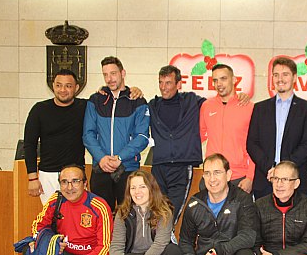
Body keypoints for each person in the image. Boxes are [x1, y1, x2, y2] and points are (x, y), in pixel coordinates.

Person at [31, 164, 113, 255]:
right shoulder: (56, 200)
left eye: (75, 181)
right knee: (31, 249)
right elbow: (39, 225)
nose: (69, 187)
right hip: (64, 253)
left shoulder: (99, 206)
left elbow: (105, 246)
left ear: (85, 184)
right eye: (64, 182)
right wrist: (48, 242)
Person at [83, 56, 150, 212]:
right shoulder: (95, 100)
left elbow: (142, 137)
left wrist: (119, 158)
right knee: (101, 216)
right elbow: (88, 134)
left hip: (127, 169)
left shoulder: (137, 101)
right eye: (105, 75)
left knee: (128, 217)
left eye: (113, 73)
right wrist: (101, 158)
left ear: (122, 73)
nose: (109, 79)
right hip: (101, 168)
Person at [247, 57, 307, 199]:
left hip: (295, 181)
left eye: (285, 74)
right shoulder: (260, 108)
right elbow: (252, 143)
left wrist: (283, 171)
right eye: (276, 75)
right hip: (266, 178)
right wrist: (270, 168)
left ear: (294, 77)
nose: (280, 79)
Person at [149, 64, 205, 223]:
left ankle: (165, 238)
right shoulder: (152, 105)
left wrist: (238, 97)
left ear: (178, 84)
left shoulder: (192, 101)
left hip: (182, 167)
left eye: (168, 83)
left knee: (170, 216)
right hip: (159, 167)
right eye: (160, 82)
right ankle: (161, 238)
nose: (163, 87)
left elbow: (219, 104)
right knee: (156, 214)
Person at [23, 69, 86, 204]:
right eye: (58, 85)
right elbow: (29, 144)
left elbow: (106, 99)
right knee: (52, 215)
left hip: (75, 174)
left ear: (76, 88)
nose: (63, 90)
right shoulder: (39, 110)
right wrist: (32, 178)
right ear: (53, 86)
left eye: (68, 86)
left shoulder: (85, 107)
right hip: (48, 175)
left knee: (76, 215)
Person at [200, 63, 255, 193]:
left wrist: (250, 177)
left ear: (234, 80)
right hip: (212, 177)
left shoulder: (249, 107)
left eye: (223, 79)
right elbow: (199, 137)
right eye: (215, 80)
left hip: (239, 177)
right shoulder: (206, 106)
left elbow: (256, 145)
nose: (219, 84)